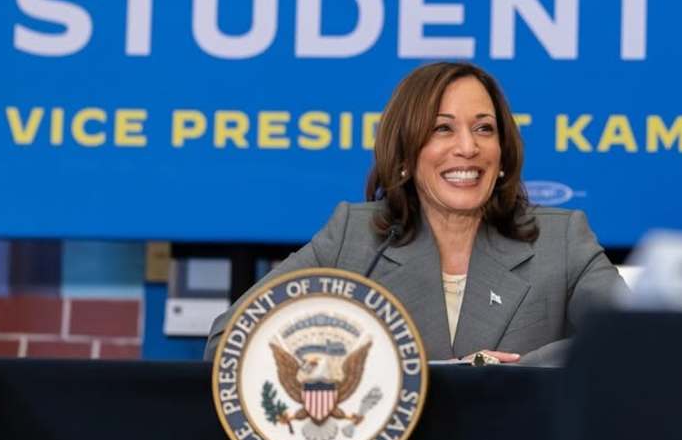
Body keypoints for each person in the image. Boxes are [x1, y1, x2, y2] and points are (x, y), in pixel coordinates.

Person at [204, 61, 625, 366]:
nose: (468, 147)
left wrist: (510, 373)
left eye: (484, 129)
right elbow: (230, 339)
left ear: (502, 156)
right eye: (443, 128)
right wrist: (370, 371)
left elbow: (636, 340)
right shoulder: (354, 238)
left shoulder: (561, 241)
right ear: (405, 155)